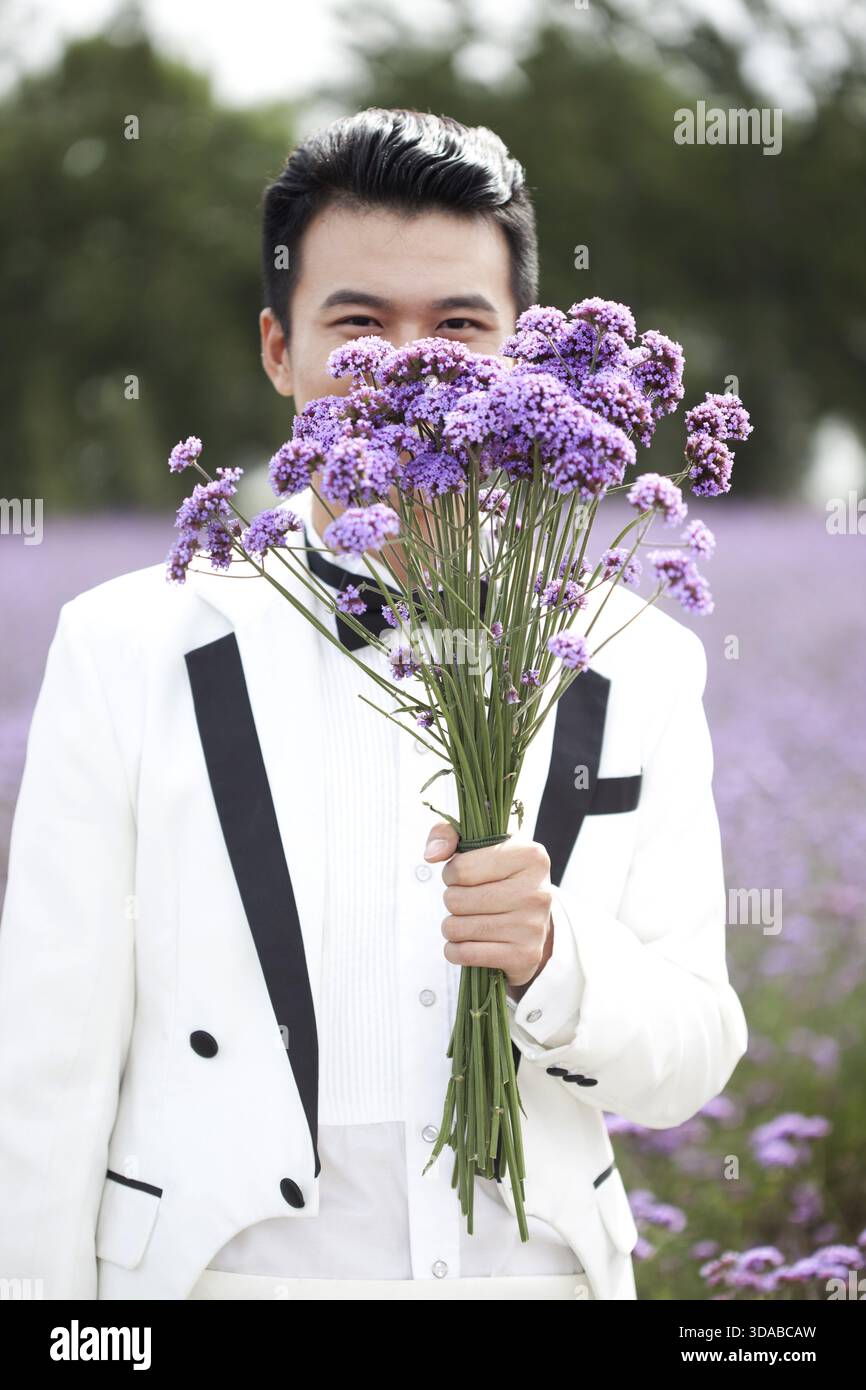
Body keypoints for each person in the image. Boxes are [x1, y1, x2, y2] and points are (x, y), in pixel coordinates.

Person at [0, 107, 748, 1302]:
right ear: (277, 351)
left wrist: (555, 958)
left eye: (459, 326)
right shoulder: (126, 646)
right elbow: (41, 1073)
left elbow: (690, 1054)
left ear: (529, 356)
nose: (407, 369)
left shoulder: (633, 656)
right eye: (357, 328)